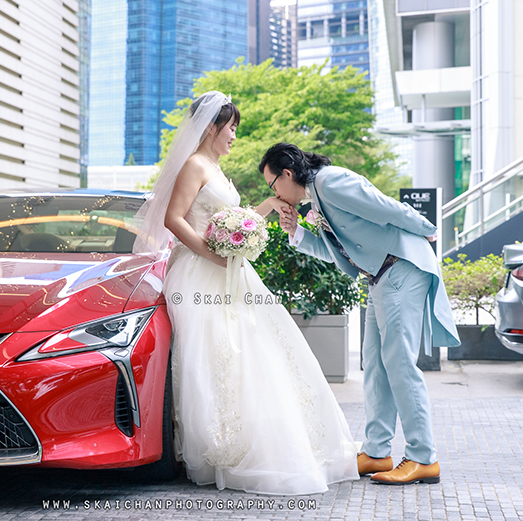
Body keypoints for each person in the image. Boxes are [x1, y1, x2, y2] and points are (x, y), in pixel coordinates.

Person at [133, 91, 360, 495]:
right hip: (198, 274)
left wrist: (270, 206)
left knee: (255, 348)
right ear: (210, 128)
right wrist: (212, 255)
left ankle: (260, 438)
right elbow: (174, 219)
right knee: (214, 352)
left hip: (228, 270)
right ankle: (218, 445)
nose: (235, 135)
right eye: (231, 127)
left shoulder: (216, 169)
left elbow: (232, 225)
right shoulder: (194, 165)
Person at [259, 142, 461, 485]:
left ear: (287, 174)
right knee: (376, 366)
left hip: (402, 268)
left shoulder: (330, 182)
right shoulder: (317, 197)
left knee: (398, 364)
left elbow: (383, 207)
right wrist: (296, 231)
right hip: (380, 277)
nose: (274, 192)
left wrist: (425, 226)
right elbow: (337, 252)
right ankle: (378, 453)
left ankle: (423, 457)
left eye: (272, 184)